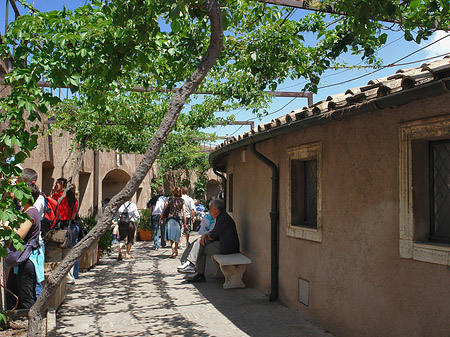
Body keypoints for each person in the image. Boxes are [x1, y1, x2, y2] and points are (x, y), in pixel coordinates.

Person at [177, 198, 240, 283]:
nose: (209, 211)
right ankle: (194, 269)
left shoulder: (223, 219)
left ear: (216, 210)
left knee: (200, 248)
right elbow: (213, 232)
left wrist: (205, 236)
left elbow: (213, 236)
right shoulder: (221, 217)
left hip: (227, 247)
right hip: (223, 244)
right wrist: (205, 235)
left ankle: (194, 268)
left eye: (210, 209)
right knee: (200, 245)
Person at [6, 183, 44, 309]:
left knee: (26, 296)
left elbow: (20, 234)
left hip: (26, 259)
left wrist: (7, 225)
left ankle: (31, 325)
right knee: (11, 293)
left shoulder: (31, 212)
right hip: (20, 259)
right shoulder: (25, 211)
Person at [46, 181, 78, 284]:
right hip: (69, 227)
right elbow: (73, 216)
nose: (55, 186)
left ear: (63, 186)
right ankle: (69, 277)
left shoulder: (56, 197)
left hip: (58, 226)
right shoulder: (73, 200)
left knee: (56, 253)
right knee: (68, 254)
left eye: (57, 184)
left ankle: (57, 277)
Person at [159, 187, 186, 258]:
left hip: (170, 218)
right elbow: (184, 211)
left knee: (171, 236)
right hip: (178, 218)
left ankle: (173, 250)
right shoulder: (182, 200)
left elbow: (164, 208)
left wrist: (161, 217)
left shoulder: (169, 199)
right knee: (177, 234)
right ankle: (175, 249)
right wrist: (185, 221)